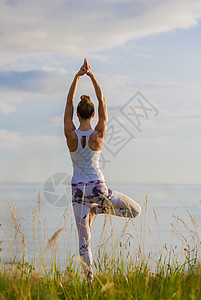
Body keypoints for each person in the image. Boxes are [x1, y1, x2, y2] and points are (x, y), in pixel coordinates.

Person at [64, 58, 141, 281]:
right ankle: (98, 210)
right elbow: (103, 99)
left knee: (83, 239)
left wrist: (77, 76)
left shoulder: (70, 134)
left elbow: (69, 102)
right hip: (99, 188)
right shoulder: (99, 134)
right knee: (134, 210)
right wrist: (92, 76)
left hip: (78, 190)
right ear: (94, 115)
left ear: (78, 115)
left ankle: (89, 279)